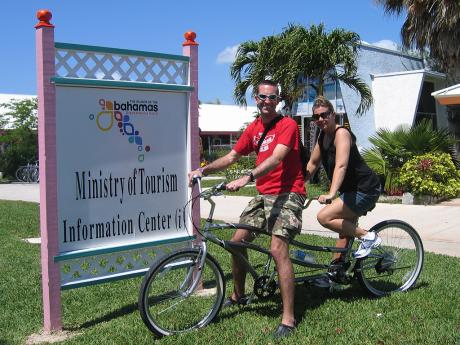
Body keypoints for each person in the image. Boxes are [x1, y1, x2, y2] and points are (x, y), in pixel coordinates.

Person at [188, 80, 305, 340]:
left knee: (277, 248)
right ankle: (238, 295)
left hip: (289, 193)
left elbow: (277, 158)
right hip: (264, 195)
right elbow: (231, 157)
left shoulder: (287, 126)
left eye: (272, 97)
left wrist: (247, 177)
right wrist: (202, 170)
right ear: (256, 98)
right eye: (262, 97)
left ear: (278, 100)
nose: (267, 101)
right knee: (236, 243)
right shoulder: (253, 128)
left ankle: (288, 318)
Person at [305, 96, 381, 263]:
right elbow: (312, 163)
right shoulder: (322, 137)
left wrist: (331, 194)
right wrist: (297, 184)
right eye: (316, 117)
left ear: (333, 114)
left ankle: (369, 237)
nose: (320, 119)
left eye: (324, 115)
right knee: (345, 231)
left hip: (365, 188)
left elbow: (341, 166)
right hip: (350, 191)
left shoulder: (342, 134)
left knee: (324, 217)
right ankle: (336, 273)